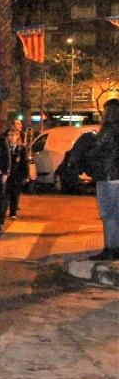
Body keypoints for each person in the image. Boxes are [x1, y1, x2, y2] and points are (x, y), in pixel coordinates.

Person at [81, 98, 119, 260]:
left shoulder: (108, 131)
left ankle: (110, 248)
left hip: (107, 177)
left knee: (108, 214)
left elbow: (95, 152)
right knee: (116, 213)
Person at [5, 127, 28, 220]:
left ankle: (13, 212)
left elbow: (24, 163)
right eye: (9, 135)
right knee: (5, 194)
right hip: (6, 175)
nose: (10, 137)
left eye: (13, 135)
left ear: (17, 136)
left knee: (15, 195)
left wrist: (26, 175)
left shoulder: (21, 148)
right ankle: (3, 211)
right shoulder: (5, 147)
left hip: (17, 175)